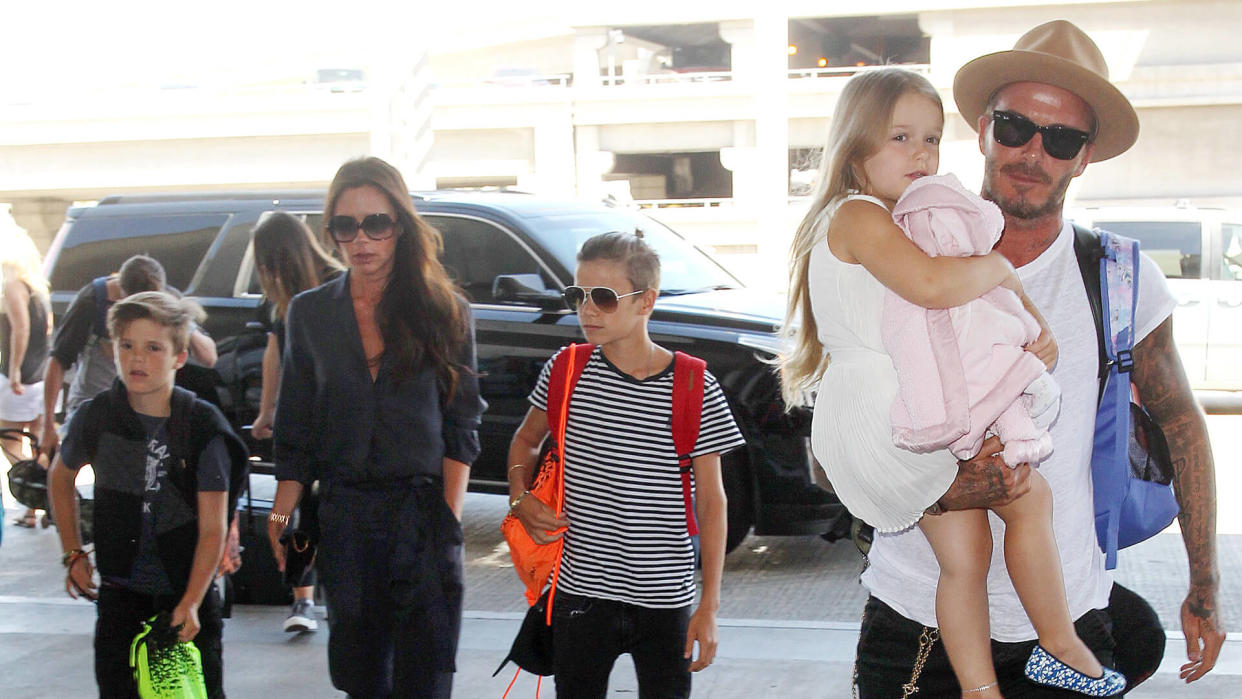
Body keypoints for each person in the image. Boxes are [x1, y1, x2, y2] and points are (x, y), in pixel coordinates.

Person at [851, 20, 1225, 697]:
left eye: (1061, 139)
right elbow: (827, 437)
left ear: (1084, 156)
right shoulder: (894, 250)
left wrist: (1204, 582)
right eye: (1015, 126)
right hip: (915, 620)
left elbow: (1182, 425)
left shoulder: (1120, 279)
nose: (1033, 153)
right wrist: (932, 487)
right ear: (984, 130)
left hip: (1066, 627)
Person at [779, 67, 1122, 697]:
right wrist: (1001, 270)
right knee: (1031, 500)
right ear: (854, 145)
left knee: (965, 558)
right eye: (900, 137)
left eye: (932, 139)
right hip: (892, 416)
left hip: (888, 412)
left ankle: (980, 688)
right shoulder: (857, 215)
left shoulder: (875, 218)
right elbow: (935, 286)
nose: (921, 154)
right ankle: (1060, 641)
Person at [267, 156, 484, 698]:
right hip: (346, 518)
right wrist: (279, 513)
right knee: (361, 679)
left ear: (401, 225)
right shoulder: (309, 314)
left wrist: (447, 517)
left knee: (425, 680)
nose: (360, 239)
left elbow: (461, 425)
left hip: (422, 514)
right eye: (346, 226)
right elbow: (295, 427)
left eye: (376, 223)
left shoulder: (444, 310)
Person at [507, 231, 745, 698]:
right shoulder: (566, 369)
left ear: (646, 301)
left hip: (665, 599)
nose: (587, 310)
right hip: (581, 595)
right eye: (578, 295)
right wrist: (520, 498)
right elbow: (525, 440)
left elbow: (713, 502)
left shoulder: (694, 385)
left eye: (603, 298)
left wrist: (708, 606)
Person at [46, 291, 248, 698]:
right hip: (120, 594)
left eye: (153, 348)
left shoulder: (202, 426)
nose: (137, 358)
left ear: (179, 356)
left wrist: (190, 602)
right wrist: (72, 551)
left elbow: (212, 528)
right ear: (112, 351)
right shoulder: (98, 415)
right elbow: (59, 476)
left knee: (191, 692)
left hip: (185, 596)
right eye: (127, 346)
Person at [249, 211, 343, 633]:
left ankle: (323, 594)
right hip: (301, 415)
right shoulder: (281, 299)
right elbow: (275, 355)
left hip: (335, 417)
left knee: (323, 507)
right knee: (298, 509)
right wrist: (268, 411)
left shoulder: (337, 284)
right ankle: (302, 597)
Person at [39, 254, 218, 457]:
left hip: (147, 409)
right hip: (96, 402)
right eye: (126, 345)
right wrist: (47, 425)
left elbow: (209, 357)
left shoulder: (169, 301)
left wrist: (185, 323)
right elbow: (58, 360)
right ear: (120, 290)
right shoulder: (92, 301)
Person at [0, 225, 53, 528]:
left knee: (9, 441)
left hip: (18, 375)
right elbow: (46, 327)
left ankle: (37, 490)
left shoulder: (13, 286)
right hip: (40, 371)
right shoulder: (38, 286)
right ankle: (36, 508)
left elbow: (21, 329)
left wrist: (15, 371)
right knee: (38, 441)